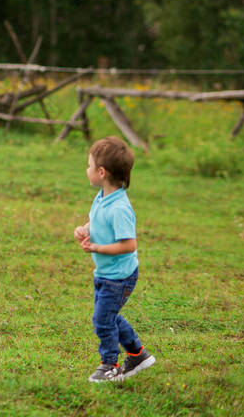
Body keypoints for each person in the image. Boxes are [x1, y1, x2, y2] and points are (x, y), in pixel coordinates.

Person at [74, 136, 155, 382]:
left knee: (102, 319)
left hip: (119, 276)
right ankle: (138, 354)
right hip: (105, 273)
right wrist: (85, 229)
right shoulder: (102, 197)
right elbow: (98, 221)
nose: (86, 170)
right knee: (108, 316)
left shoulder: (120, 208)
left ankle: (109, 365)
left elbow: (129, 245)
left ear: (101, 171)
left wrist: (97, 247)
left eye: (89, 166)